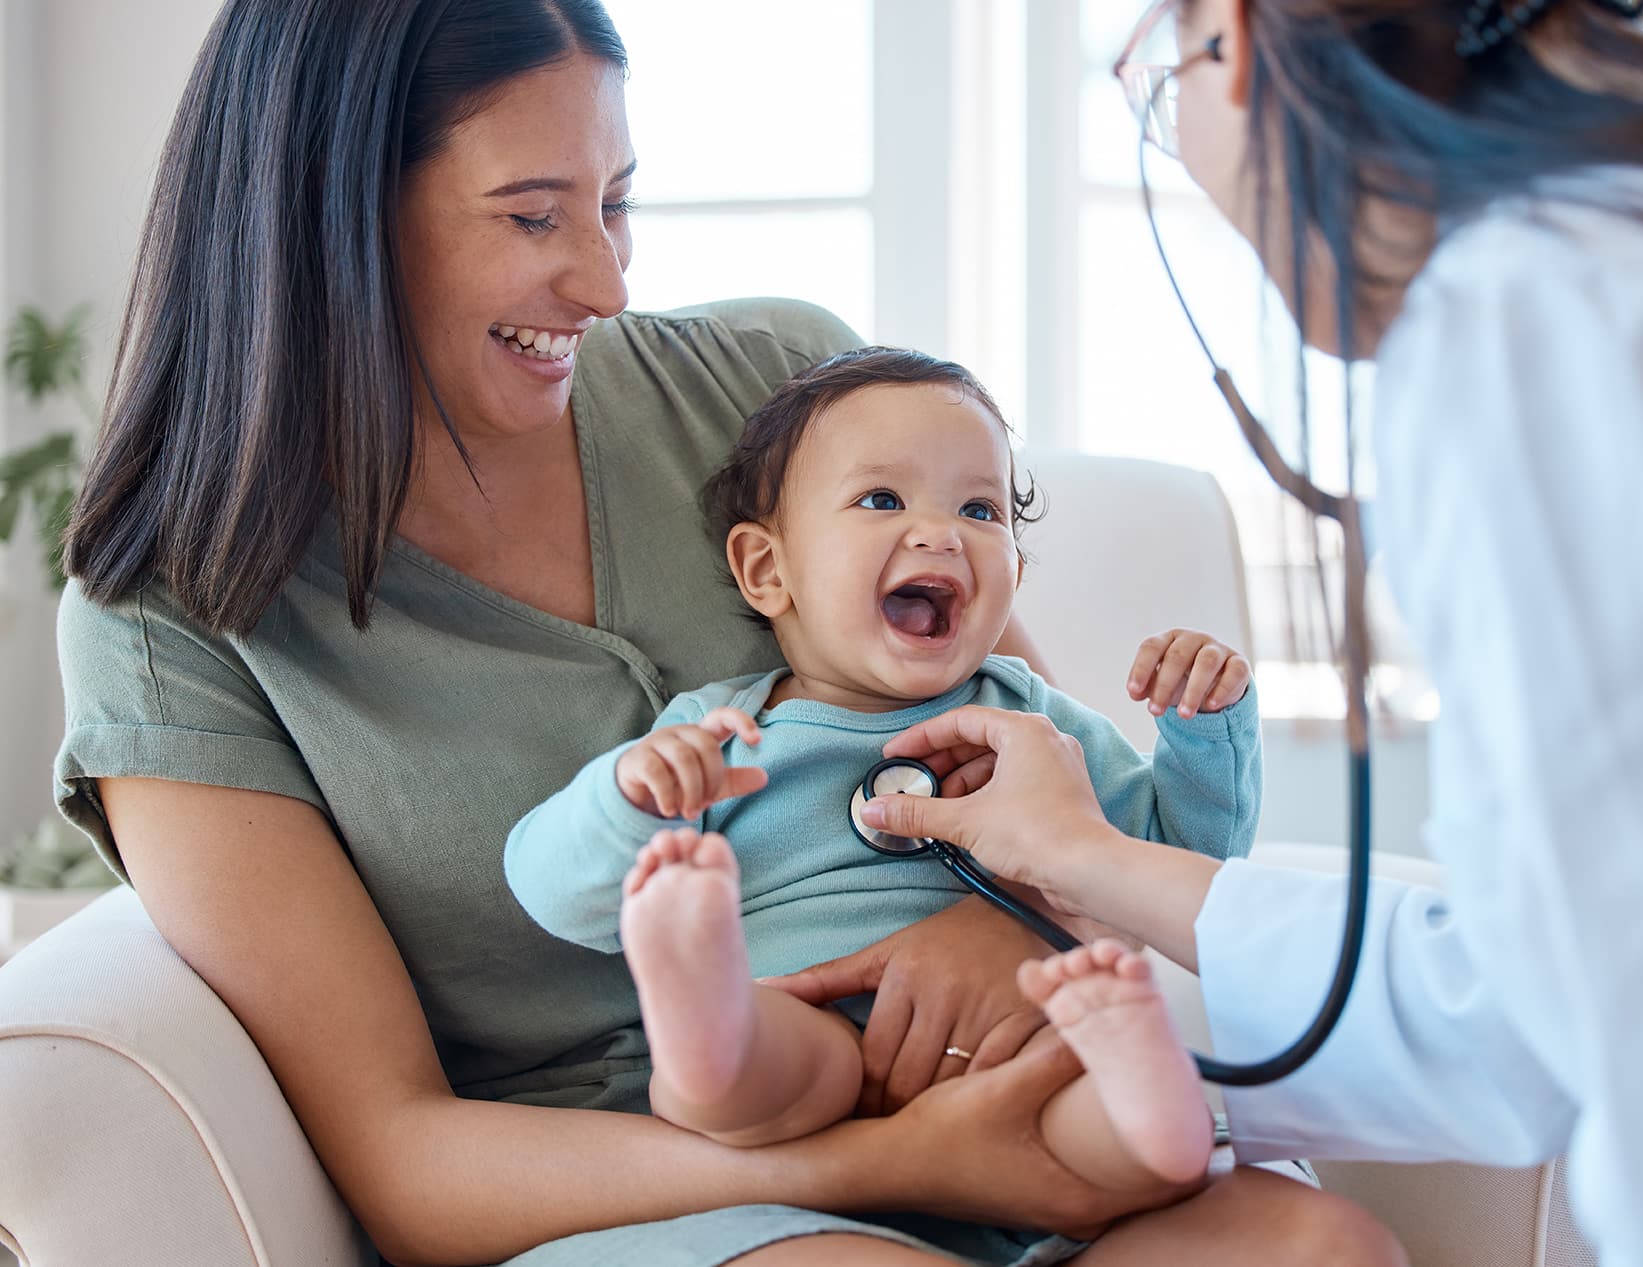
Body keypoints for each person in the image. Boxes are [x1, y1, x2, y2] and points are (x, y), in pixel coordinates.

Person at [35, 1, 1406, 1265]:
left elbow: (1021, 767)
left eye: (617, 202)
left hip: (986, 1085)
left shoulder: (774, 386)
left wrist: (999, 935)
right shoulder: (171, 614)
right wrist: (885, 1158)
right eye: (530, 217)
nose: (603, 281)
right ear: (330, 222)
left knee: (1318, 1248)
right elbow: (405, 1156)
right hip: (635, 1190)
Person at [796, 1, 1643, 1265]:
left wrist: (1084, 889)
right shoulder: (1610, 253)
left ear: (1231, 37)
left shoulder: (1527, 324)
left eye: (1159, 88)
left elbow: (1564, 1009)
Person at [504, 346, 1258, 1201]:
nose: (941, 531)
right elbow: (551, 891)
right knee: (744, 1073)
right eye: (881, 499)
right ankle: (704, 1009)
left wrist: (1201, 732)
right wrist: (627, 799)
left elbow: (1177, 862)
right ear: (767, 570)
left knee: (1097, 1124)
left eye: (981, 508)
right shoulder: (722, 736)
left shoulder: (1034, 725)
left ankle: (1147, 1101)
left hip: (1018, 1044)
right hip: (802, 1021)